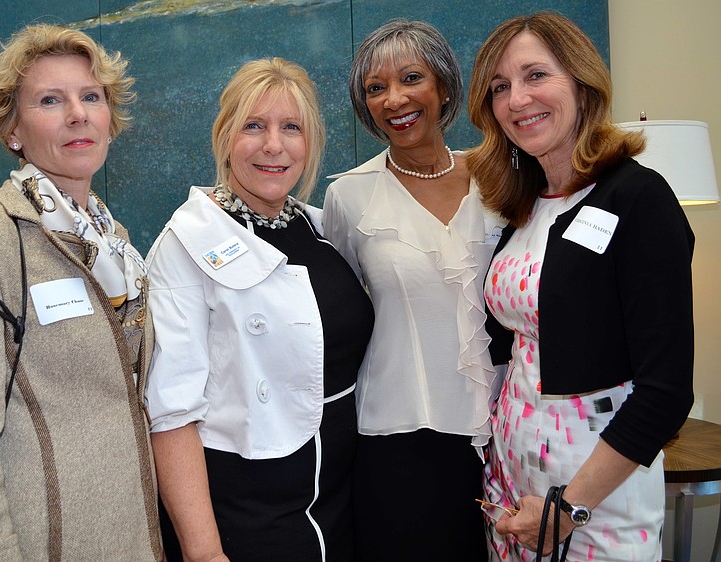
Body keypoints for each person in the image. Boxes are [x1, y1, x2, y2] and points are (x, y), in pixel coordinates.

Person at [0, 24, 162, 559]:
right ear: (13, 131)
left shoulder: (114, 243)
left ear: (109, 122)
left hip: (129, 532)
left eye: (90, 97)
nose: (78, 113)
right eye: (51, 100)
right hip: (41, 539)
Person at [466, 11, 694, 561]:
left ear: (582, 83)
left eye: (536, 75)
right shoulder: (522, 206)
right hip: (514, 482)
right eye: (500, 87)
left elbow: (665, 393)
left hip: (594, 494)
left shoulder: (638, 198)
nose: (517, 99)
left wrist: (569, 509)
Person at [145, 57, 374, 562]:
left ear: (309, 142)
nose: (274, 145)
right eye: (254, 126)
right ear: (226, 136)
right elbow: (171, 414)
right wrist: (204, 552)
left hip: (339, 502)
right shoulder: (186, 244)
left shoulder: (322, 230)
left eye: (290, 127)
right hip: (247, 513)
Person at [323, 19, 506, 561]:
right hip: (397, 435)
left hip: (505, 428)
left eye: (410, 78)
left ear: (444, 87)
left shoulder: (500, 176)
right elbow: (340, 314)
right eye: (375, 89)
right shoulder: (349, 196)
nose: (394, 99)